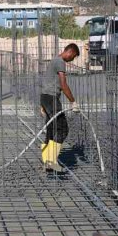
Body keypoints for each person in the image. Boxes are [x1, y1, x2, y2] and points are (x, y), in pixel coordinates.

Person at [39, 43, 81, 173]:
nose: (72, 60)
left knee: (51, 129)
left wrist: (42, 104)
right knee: (63, 129)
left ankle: (47, 161)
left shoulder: (54, 60)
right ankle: (51, 161)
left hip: (46, 97)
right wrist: (73, 101)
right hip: (51, 99)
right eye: (73, 57)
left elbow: (47, 81)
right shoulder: (60, 62)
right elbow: (63, 84)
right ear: (70, 52)